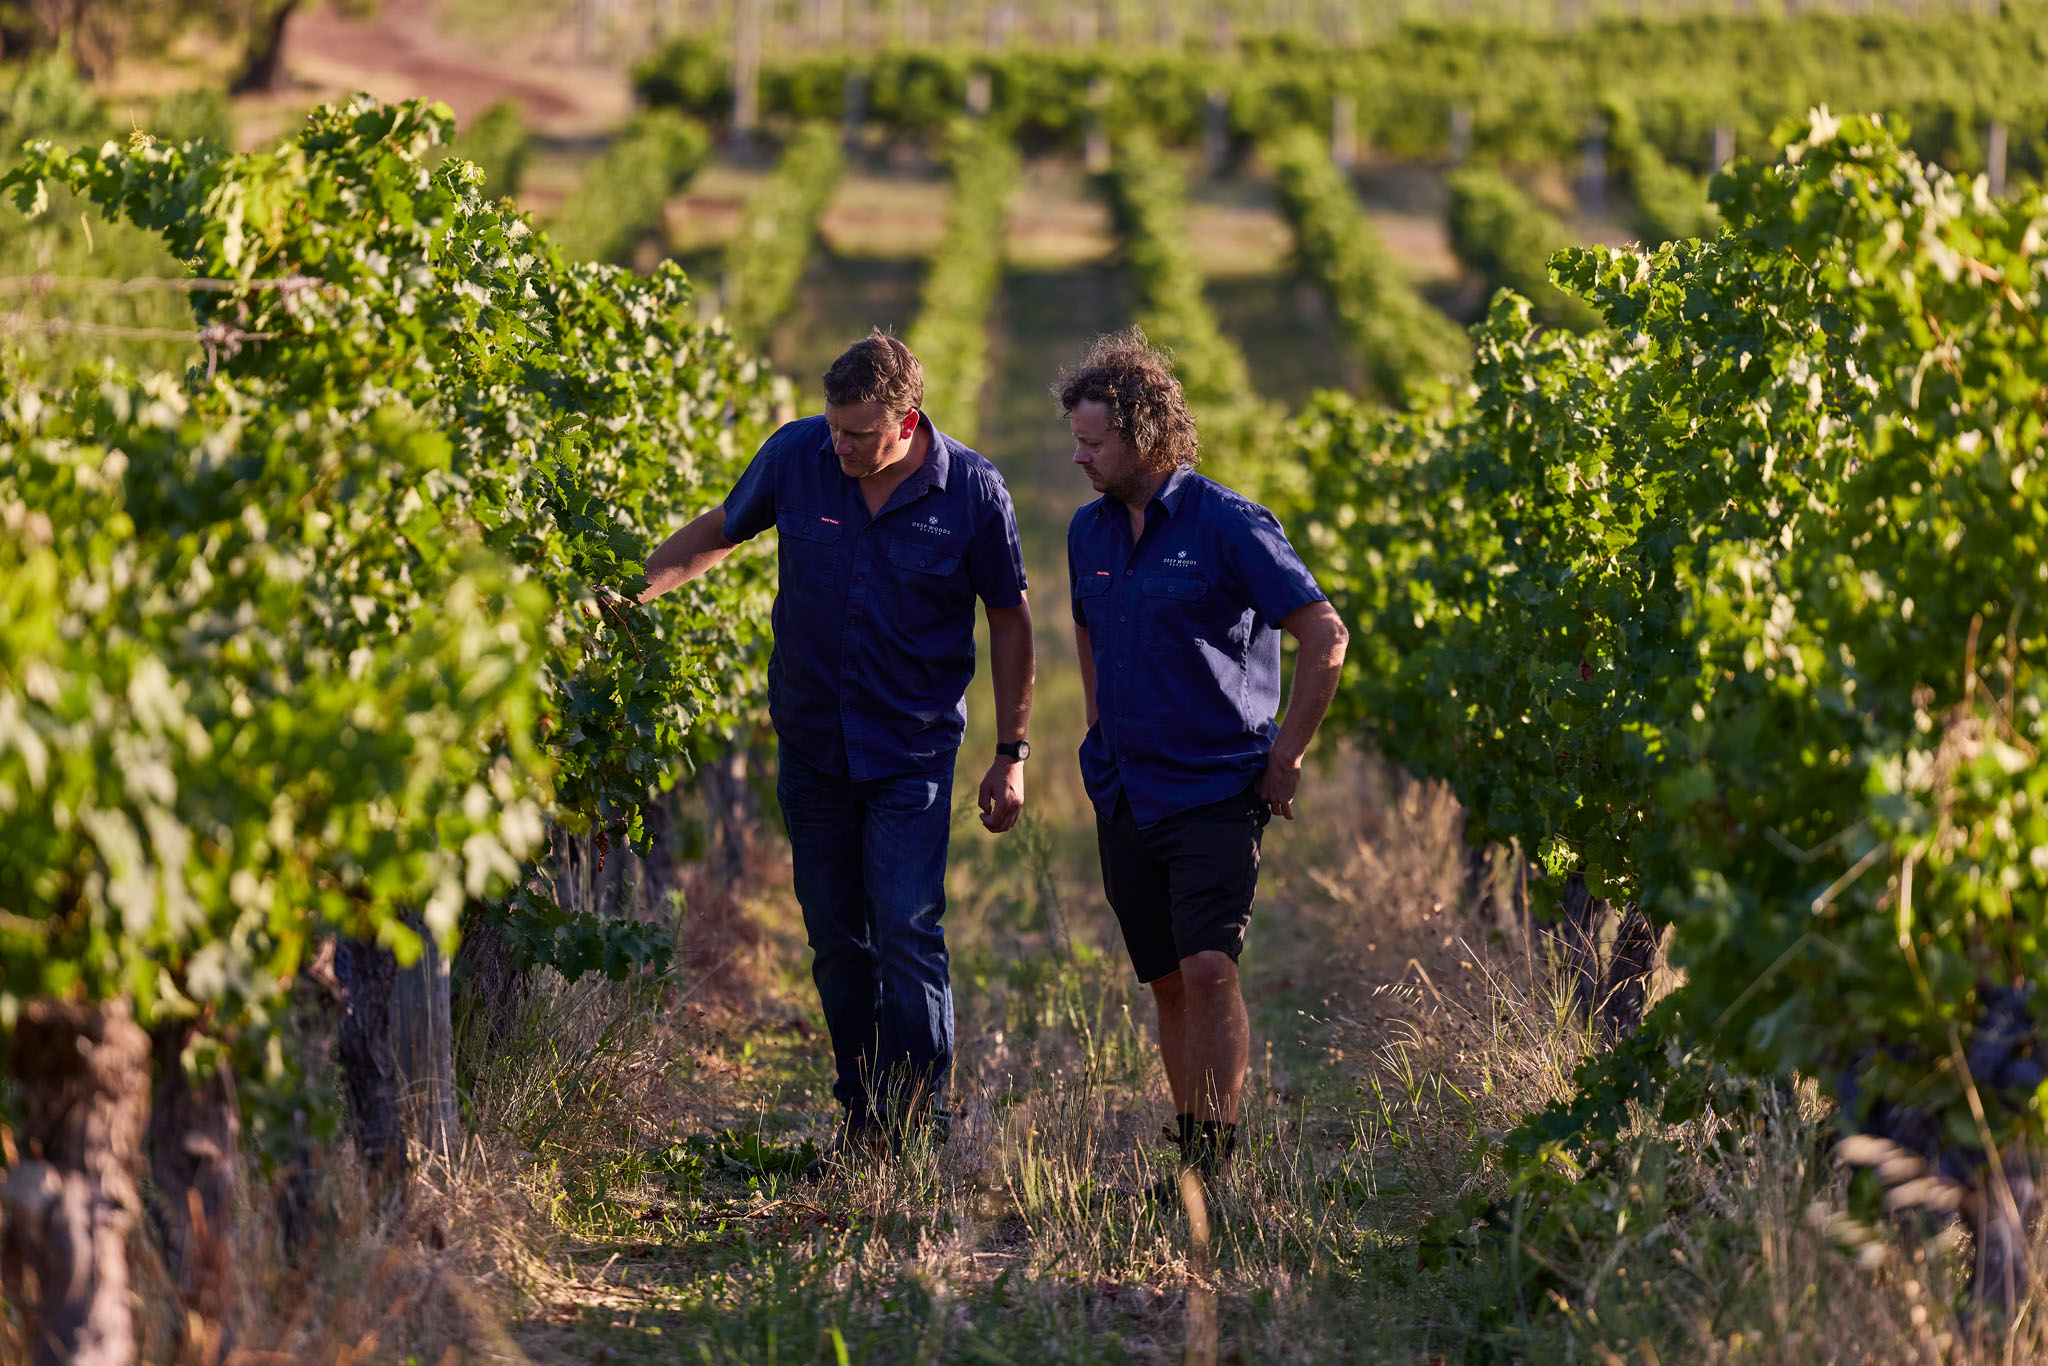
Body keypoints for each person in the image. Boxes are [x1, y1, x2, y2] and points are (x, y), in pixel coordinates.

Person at [641, 330, 1036, 1167]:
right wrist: (640, 588)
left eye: (860, 433)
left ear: (907, 421)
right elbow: (721, 529)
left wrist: (1013, 751)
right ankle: (862, 1111)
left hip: (911, 750)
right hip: (814, 742)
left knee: (906, 928)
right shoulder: (797, 456)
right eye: (834, 427)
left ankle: (917, 1130)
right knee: (834, 939)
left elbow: (1010, 620)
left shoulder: (971, 491)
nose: (841, 446)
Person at [1058, 328, 1347, 1190]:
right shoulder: (1088, 533)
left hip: (1219, 788)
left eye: (1094, 442)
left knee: (1210, 967)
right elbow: (1085, 629)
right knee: (1165, 984)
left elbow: (1323, 636)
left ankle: (1215, 1163)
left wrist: (1287, 754)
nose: (1081, 458)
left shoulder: (1230, 525)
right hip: (1127, 792)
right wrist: (1098, 732)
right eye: (1076, 441)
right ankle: (1188, 1145)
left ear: (1145, 435)